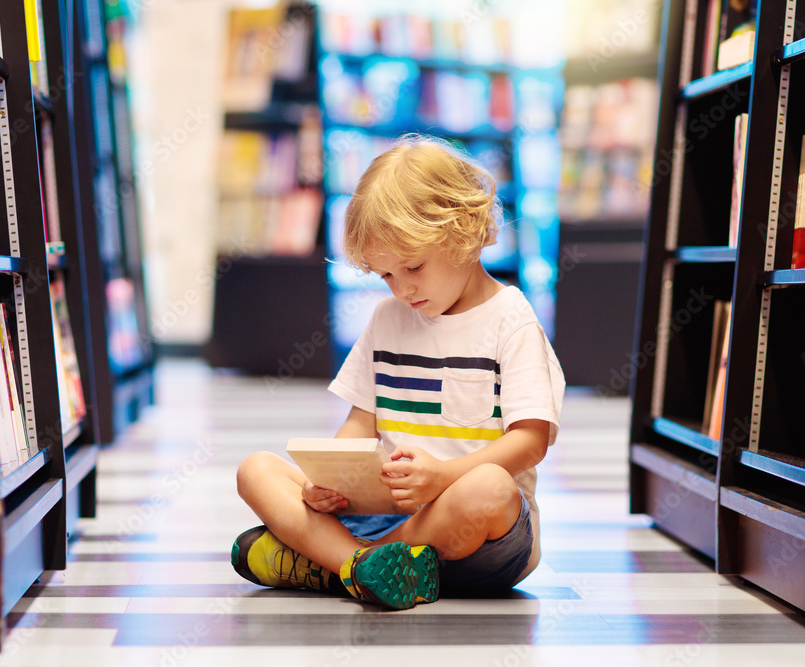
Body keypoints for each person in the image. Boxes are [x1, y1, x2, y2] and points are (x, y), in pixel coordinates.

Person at [232, 135, 565, 610]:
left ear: (465, 232)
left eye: (413, 267)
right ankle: (368, 568)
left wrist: (444, 478)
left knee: (490, 488)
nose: (402, 289)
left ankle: (337, 565)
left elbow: (531, 440)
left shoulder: (511, 321)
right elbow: (359, 424)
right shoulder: (387, 319)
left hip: (475, 535)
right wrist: (329, 480)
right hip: (380, 516)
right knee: (256, 471)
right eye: (387, 275)